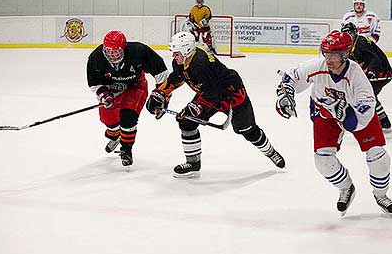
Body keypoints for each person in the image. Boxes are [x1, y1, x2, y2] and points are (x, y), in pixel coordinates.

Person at [275, 30, 392, 217]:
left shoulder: (357, 76)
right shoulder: (318, 66)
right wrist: (285, 94)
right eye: (326, 53)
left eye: (335, 54)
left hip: (355, 113)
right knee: (322, 161)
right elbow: (291, 77)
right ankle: (346, 188)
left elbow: (358, 120)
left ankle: (381, 195)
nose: (329, 58)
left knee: (379, 158)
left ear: (345, 54)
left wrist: (345, 112)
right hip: (324, 113)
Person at [145, 31, 285, 178]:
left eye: (176, 53)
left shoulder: (201, 63)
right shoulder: (182, 61)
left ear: (186, 50)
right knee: (186, 122)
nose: (174, 56)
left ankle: (271, 152)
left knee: (247, 130)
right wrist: (160, 93)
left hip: (232, 95)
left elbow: (215, 93)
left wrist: (195, 107)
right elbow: (178, 78)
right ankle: (193, 164)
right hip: (209, 92)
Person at [87, 30, 168, 168]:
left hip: (135, 87)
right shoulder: (96, 57)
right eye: (108, 52)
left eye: (116, 52)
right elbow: (94, 83)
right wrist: (104, 94)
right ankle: (114, 135)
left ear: (124, 48)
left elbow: (161, 72)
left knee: (128, 116)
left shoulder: (138, 51)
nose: (112, 56)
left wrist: (162, 96)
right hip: (112, 90)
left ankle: (126, 150)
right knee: (108, 120)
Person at [341, 22, 392, 132]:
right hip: (374, 72)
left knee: (366, 94)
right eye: (345, 33)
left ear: (355, 32)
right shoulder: (350, 45)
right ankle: (383, 121)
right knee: (369, 95)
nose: (348, 35)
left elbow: (375, 59)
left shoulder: (361, 42)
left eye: (350, 33)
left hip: (382, 72)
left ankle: (376, 122)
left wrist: (371, 71)